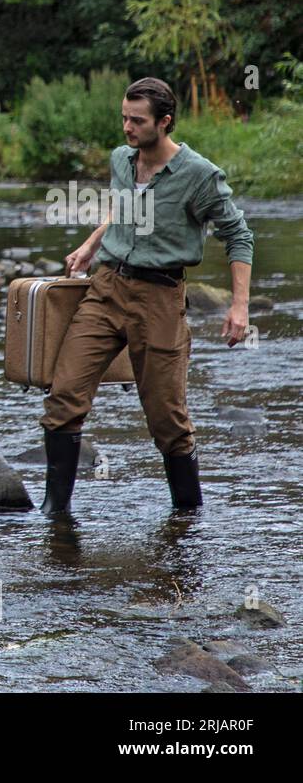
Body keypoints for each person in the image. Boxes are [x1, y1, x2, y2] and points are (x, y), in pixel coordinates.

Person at [40, 77, 254, 514]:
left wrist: (239, 306)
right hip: (105, 289)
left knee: (167, 421)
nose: (127, 128)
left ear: (165, 122)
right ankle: (55, 513)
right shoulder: (122, 160)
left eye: (137, 121)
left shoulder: (200, 175)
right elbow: (126, 210)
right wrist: (92, 243)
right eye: (123, 118)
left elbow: (239, 236)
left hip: (160, 299)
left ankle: (188, 517)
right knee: (63, 397)